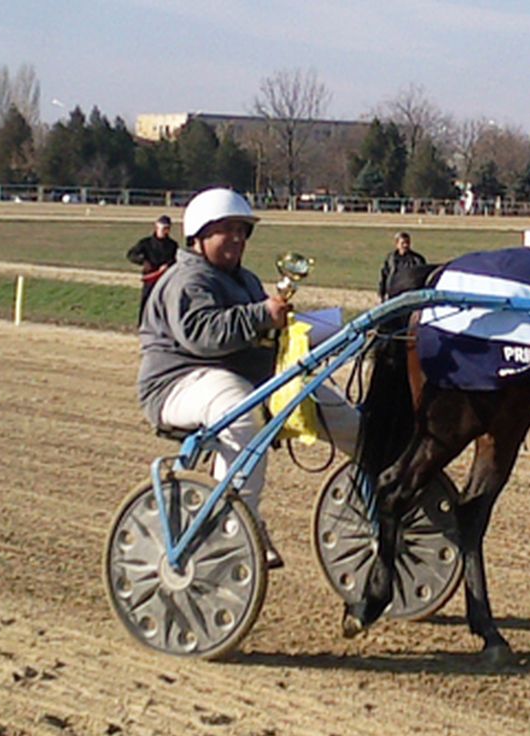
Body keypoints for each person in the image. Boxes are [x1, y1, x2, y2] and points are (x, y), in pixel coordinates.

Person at [137, 187, 358, 569]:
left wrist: (316, 332)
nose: (238, 238)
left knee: (325, 401)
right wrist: (261, 315)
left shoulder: (247, 280)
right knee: (240, 408)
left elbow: (263, 333)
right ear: (199, 235)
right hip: (178, 383)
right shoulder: (187, 280)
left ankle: (389, 476)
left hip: (244, 378)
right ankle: (238, 525)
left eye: (242, 231)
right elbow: (203, 335)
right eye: (228, 230)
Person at [126, 214, 179, 323]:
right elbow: (131, 255)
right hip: (150, 278)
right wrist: (144, 262)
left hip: (165, 279)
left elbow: (176, 260)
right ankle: (143, 324)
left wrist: (168, 265)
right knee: (146, 301)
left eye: (167, 228)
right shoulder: (146, 243)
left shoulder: (173, 245)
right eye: (162, 228)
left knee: (165, 303)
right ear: (156, 227)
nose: (164, 231)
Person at [378, 231, 426, 300]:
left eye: (407, 242)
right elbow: (383, 276)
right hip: (393, 295)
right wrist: (381, 294)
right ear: (397, 244)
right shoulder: (390, 259)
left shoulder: (417, 260)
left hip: (411, 296)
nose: (405, 245)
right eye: (403, 243)